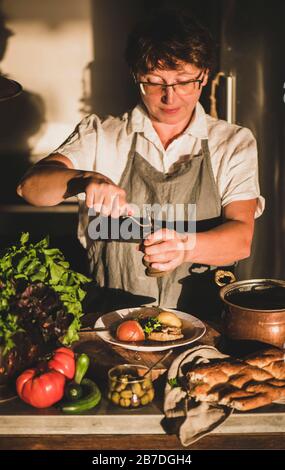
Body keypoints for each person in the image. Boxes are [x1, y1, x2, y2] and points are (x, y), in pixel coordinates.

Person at [17, 9, 264, 321]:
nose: (170, 97)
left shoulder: (232, 142)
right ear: (136, 75)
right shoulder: (101, 136)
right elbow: (30, 188)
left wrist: (184, 247)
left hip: (204, 325)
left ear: (205, 76)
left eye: (184, 81)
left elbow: (241, 240)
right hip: (110, 324)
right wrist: (83, 179)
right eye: (154, 81)